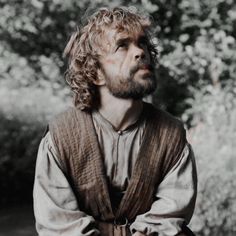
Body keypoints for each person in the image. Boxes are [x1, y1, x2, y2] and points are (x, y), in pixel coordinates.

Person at [33, 6, 197, 236]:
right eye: (122, 45)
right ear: (95, 72)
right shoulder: (61, 137)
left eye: (142, 43)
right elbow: (59, 225)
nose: (140, 52)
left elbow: (170, 215)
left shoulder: (171, 134)